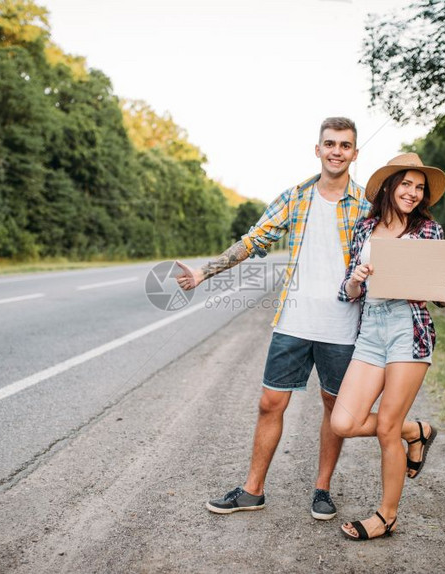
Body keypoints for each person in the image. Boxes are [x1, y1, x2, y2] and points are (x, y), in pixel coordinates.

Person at [175, 119, 430, 521]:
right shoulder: (295, 197)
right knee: (269, 403)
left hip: (345, 327)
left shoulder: (368, 206)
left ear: (355, 154)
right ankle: (252, 490)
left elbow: (407, 249)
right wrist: (204, 272)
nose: (336, 151)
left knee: (336, 411)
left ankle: (322, 490)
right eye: (330, 143)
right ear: (318, 149)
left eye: (345, 145)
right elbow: (253, 239)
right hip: (293, 321)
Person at [330, 153, 445, 540]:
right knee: (343, 422)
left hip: (408, 328)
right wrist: (356, 279)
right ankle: (417, 431)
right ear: (390, 186)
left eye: (419, 187)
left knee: (385, 427)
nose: (412, 192)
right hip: (370, 330)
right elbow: (347, 292)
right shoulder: (365, 227)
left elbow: (437, 294)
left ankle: (386, 516)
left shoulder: (428, 230)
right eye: (406, 184)